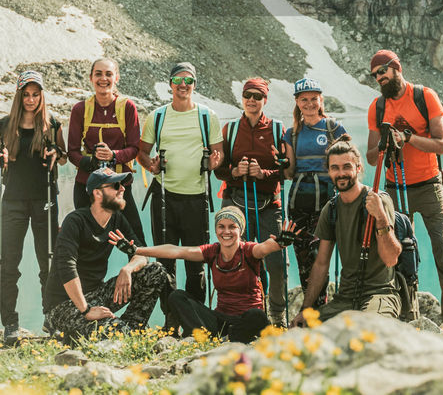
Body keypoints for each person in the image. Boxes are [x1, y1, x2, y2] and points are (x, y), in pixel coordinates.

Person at [365, 49, 443, 320]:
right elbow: (371, 158)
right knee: (397, 252)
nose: (379, 78)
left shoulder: (424, 96)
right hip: (395, 188)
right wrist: (384, 144)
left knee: (442, 252)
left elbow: (441, 144)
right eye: (375, 75)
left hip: (429, 185)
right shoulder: (377, 107)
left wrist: (408, 139)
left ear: (396, 67)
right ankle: (405, 314)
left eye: (382, 71)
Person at [109, 206, 295, 343]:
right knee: (177, 296)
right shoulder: (212, 252)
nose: (226, 231)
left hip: (246, 318)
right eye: (221, 226)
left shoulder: (248, 251)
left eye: (232, 227)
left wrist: (280, 243)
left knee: (257, 316)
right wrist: (137, 249)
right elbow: (176, 251)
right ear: (216, 230)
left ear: (241, 230)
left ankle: (223, 339)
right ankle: (212, 337)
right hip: (220, 320)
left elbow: (265, 247)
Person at [42, 168, 169, 342]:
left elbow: (141, 254)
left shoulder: (116, 220)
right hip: (64, 305)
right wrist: (86, 310)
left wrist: (128, 269)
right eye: (116, 185)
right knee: (119, 334)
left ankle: (130, 329)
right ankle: (113, 333)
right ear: (97, 193)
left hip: (97, 295)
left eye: (122, 184)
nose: (122, 189)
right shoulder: (75, 221)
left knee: (156, 271)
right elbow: (66, 267)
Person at [0, 70, 65, 344]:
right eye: (26, 94)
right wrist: (1, 156)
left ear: (41, 95)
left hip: (45, 198)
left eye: (35, 94)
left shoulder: (52, 124)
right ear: (19, 95)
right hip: (13, 202)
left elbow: (64, 157)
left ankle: (52, 318)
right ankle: (10, 323)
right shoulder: (4, 125)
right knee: (10, 264)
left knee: (49, 262)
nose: (31, 99)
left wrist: (56, 153)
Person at [137, 61, 223, 304]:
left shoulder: (208, 116)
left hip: (197, 198)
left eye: (188, 80)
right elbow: (141, 152)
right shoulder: (158, 116)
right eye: (177, 80)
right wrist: (150, 166)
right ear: (170, 84)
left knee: (196, 262)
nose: (182, 85)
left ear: (195, 85)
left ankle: (195, 316)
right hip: (164, 197)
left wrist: (213, 163)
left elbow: (219, 154)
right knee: (165, 262)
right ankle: (171, 317)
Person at [291, 138, 401, 324]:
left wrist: (380, 217)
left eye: (347, 167)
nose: (341, 173)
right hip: (346, 299)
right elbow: (321, 263)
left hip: (379, 294)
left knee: (368, 330)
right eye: (335, 168)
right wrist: (306, 310)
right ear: (329, 171)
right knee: (303, 329)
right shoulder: (331, 209)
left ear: (358, 168)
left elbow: (391, 258)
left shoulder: (378, 200)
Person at [215, 77, 288, 326]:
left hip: (269, 204)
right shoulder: (231, 129)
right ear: (242, 98)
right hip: (236, 201)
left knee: (276, 261)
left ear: (265, 100)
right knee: (234, 258)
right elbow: (219, 169)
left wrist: (263, 174)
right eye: (248, 95)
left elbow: (287, 172)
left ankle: (276, 316)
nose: (252, 100)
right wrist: (235, 172)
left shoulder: (278, 130)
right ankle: (238, 312)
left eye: (258, 96)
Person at [280, 78, 347, 308]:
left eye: (313, 99)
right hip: (298, 201)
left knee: (320, 255)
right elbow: (289, 173)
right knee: (302, 256)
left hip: (325, 201)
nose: (309, 104)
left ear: (321, 101)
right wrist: (281, 162)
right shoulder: (291, 134)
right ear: (297, 102)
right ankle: (313, 309)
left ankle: (319, 308)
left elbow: (347, 162)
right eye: (304, 99)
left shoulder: (334, 128)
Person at [66, 58, 146, 244]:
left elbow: (134, 148)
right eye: (98, 74)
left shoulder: (127, 107)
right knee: (86, 243)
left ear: (116, 78)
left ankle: (137, 272)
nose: (103, 79)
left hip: (120, 187)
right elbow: (72, 151)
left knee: (136, 241)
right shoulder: (80, 109)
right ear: (91, 78)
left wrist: (114, 156)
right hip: (87, 187)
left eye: (108, 74)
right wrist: (91, 162)